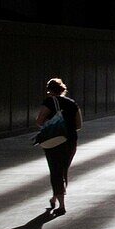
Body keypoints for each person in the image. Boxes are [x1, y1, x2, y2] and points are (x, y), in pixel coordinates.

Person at [34, 77, 82, 216]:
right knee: (63, 169)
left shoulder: (49, 102)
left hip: (53, 141)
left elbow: (39, 121)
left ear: (49, 90)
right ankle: (55, 197)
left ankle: (61, 205)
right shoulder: (72, 103)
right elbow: (79, 125)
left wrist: (51, 125)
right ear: (62, 89)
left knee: (55, 170)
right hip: (70, 140)